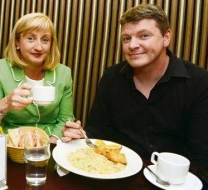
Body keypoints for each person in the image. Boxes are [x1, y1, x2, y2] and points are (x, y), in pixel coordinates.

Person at [62, 4, 208, 171]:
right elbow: (99, 135)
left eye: (144, 36)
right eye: (126, 38)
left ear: (166, 37)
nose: (132, 45)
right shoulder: (111, 77)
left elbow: (201, 157)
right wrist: (81, 137)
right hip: (117, 176)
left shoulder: (199, 82)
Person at [0, 13, 74, 144]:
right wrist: (6, 103)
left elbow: (66, 119)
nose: (39, 47)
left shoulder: (63, 73)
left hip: (50, 142)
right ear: (17, 41)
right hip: (12, 143)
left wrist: (49, 145)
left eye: (45, 40)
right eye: (30, 38)